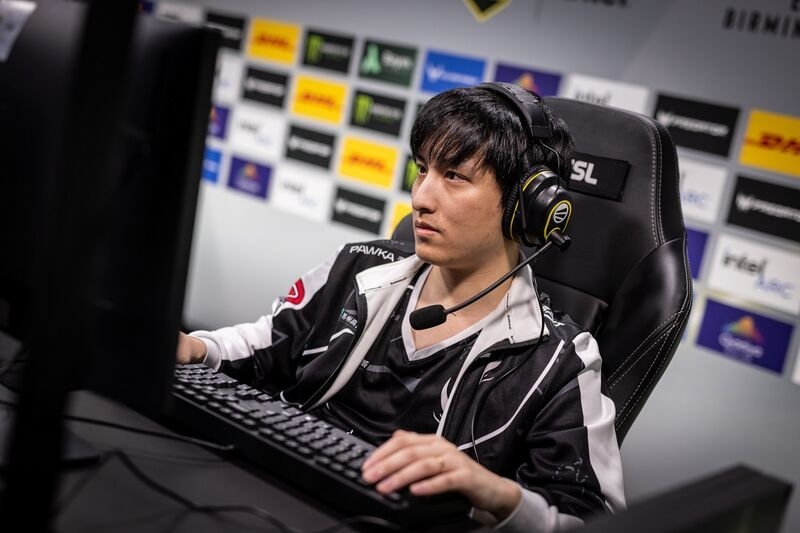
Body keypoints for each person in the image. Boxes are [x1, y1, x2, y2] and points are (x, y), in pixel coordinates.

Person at [177, 83, 625, 531]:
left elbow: (590, 518)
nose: (421, 199)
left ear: (521, 206)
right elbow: (266, 342)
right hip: (276, 497)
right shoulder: (359, 267)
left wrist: (494, 492)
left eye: (454, 176)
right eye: (423, 169)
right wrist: (199, 347)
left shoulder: (562, 361)